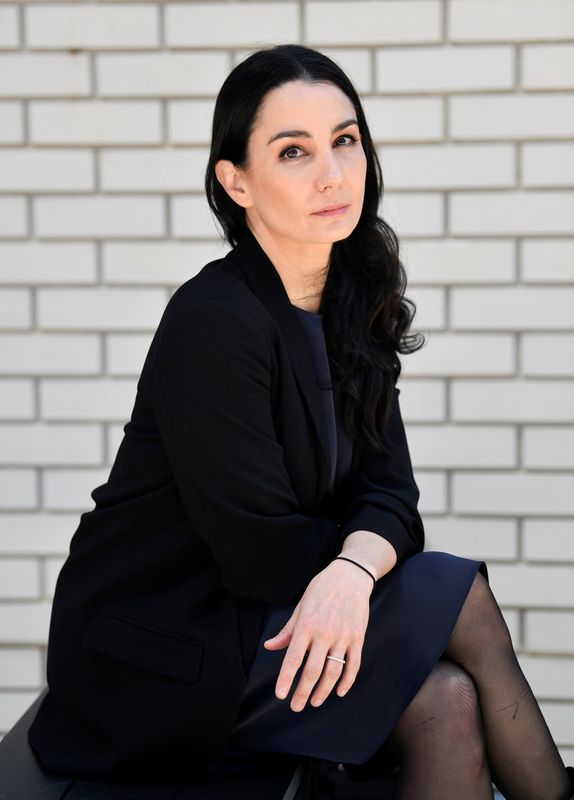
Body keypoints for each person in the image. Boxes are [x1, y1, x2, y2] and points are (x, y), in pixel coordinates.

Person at [28, 43, 573, 800]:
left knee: (448, 699)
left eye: (345, 141)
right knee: (463, 601)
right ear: (237, 182)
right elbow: (260, 549)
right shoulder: (215, 321)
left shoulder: (352, 298)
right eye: (294, 151)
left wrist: (354, 570)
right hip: (169, 645)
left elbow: (391, 495)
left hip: (280, 611)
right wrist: (356, 567)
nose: (332, 174)